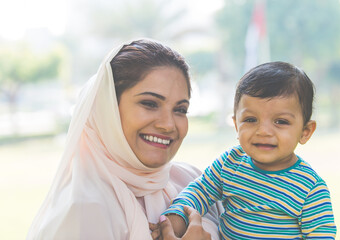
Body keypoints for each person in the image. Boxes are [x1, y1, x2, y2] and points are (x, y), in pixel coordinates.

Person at [26, 39, 221, 240]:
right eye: (149, 103)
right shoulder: (80, 213)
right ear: (108, 107)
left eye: (180, 109)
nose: (169, 124)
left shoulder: (193, 181)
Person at [161, 62, 337, 239]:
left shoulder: (310, 188)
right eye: (251, 119)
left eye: (281, 122)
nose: (263, 131)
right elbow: (200, 191)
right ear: (237, 125)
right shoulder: (231, 163)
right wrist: (176, 217)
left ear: (305, 132)